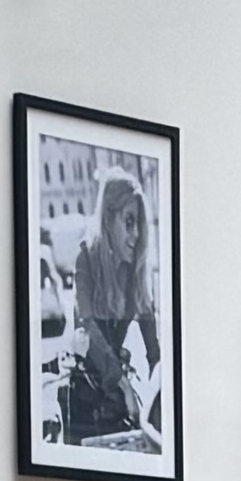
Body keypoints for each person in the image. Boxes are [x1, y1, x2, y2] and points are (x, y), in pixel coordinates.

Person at [47, 167, 158, 448]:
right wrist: (125, 387)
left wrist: (160, 376)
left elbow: (150, 328)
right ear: (108, 219)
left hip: (115, 389)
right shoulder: (86, 259)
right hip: (85, 389)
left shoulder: (134, 267)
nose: (136, 234)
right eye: (128, 222)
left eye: (140, 224)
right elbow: (88, 327)